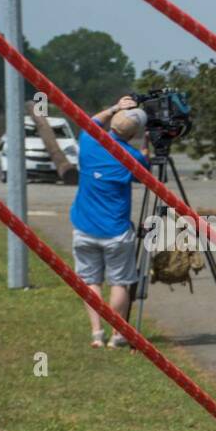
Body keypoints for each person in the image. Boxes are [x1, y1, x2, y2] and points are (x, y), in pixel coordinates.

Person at [69, 95, 149, 349]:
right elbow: (145, 173)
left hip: (84, 227)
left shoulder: (89, 140)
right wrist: (147, 146)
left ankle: (96, 333)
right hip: (115, 232)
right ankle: (118, 333)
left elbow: (92, 121)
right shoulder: (131, 156)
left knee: (91, 281)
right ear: (135, 133)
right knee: (119, 282)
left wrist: (116, 106)